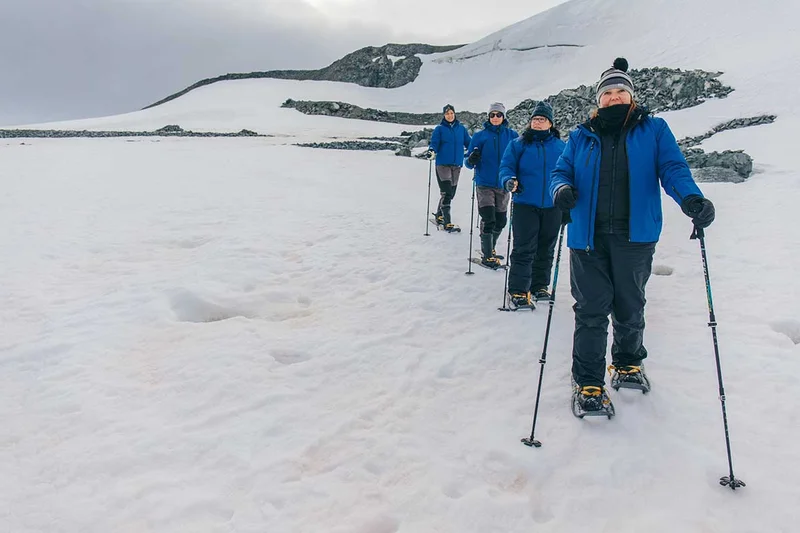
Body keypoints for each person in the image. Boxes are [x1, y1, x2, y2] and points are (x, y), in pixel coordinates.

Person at [549, 58, 716, 415]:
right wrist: (561, 189)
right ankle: (589, 382)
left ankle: (627, 362)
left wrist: (691, 198)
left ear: (631, 96)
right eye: (607, 93)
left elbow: (672, 167)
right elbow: (560, 171)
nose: (613, 97)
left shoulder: (653, 130)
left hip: (634, 236)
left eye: (620, 91)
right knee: (591, 310)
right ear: (598, 100)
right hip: (587, 237)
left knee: (629, 305)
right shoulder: (581, 135)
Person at [498, 101, 566, 307]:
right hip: (525, 203)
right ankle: (519, 290)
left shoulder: (561, 147)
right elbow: (506, 167)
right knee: (524, 247)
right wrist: (509, 180)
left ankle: (539, 285)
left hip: (553, 205)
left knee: (546, 247)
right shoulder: (518, 144)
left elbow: (569, 171)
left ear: (550, 123)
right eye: (535, 119)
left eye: (542, 119)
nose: (537, 122)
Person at [465, 103, 519, 268]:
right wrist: (472, 159)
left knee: (501, 221)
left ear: (504, 117)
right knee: (488, 218)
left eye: (498, 115)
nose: (495, 118)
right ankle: (487, 255)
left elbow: (519, 157)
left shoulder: (512, 136)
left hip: (504, 184)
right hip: (484, 183)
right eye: (492, 115)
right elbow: (467, 162)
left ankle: (490, 248)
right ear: (488, 117)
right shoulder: (480, 136)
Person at [426, 104, 471, 232]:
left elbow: (469, 143)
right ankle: (447, 222)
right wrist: (431, 151)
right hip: (443, 165)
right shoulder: (439, 129)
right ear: (444, 115)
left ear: (454, 114)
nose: (450, 115)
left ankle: (439, 215)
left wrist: (478, 150)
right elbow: (434, 144)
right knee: (446, 193)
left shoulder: (461, 129)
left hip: (457, 165)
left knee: (451, 194)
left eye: (451, 113)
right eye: (447, 113)